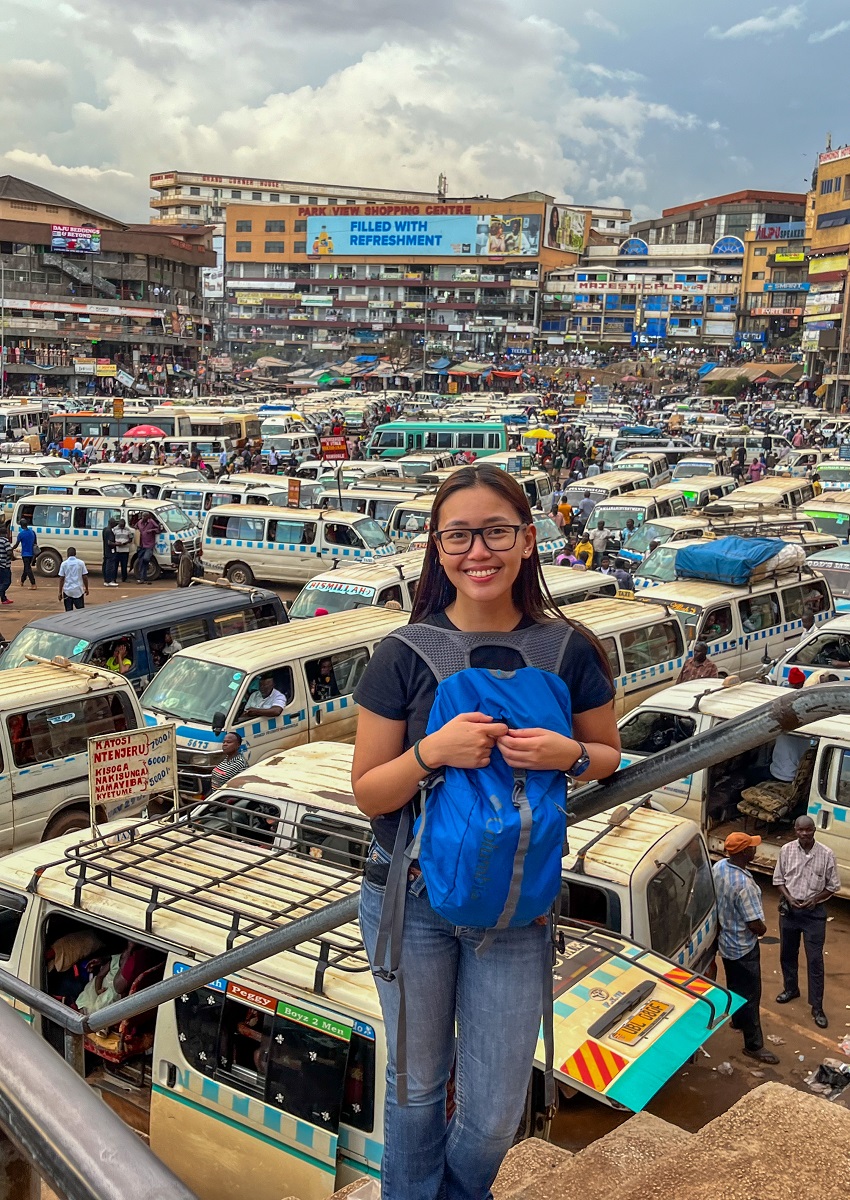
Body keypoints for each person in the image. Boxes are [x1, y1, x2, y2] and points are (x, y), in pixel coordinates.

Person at [351, 463, 620, 1200]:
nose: (480, 551)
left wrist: (569, 756)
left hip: (517, 903)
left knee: (496, 1114)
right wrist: (432, 752)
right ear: (438, 550)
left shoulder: (569, 651)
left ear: (529, 541)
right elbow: (369, 791)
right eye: (460, 536)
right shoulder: (402, 654)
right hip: (411, 901)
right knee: (414, 1097)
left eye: (496, 532)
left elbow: (609, 755)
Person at [713, 832, 779, 1065]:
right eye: (752, 847)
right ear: (744, 853)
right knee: (751, 995)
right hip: (743, 946)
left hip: (726, 943)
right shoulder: (745, 885)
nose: (755, 850)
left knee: (735, 985)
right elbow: (754, 925)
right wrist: (763, 929)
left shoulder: (720, 867)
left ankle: (737, 1020)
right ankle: (754, 1045)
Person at [774, 815, 839, 1028]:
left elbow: (832, 886)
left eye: (808, 830)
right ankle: (791, 989)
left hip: (814, 914)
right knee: (787, 954)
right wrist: (789, 898)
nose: (804, 834)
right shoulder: (786, 850)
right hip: (790, 911)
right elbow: (779, 880)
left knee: (814, 960)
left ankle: (817, 1007)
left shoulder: (827, 854)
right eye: (800, 830)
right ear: (795, 830)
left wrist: (815, 899)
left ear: (814, 830)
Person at [134, 513, 160, 584]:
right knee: (141, 561)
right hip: (141, 545)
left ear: (148, 517)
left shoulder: (151, 522)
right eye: (143, 516)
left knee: (146, 559)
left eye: (145, 516)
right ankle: (142, 578)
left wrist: (152, 530)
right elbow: (135, 527)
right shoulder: (139, 522)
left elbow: (158, 529)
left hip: (149, 545)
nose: (143, 517)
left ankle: (143, 576)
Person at [12, 518, 37, 589]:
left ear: (21, 526)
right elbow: (35, 543)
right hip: (32, 553)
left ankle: (33, 584)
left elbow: (16, 544)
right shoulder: (32, 532)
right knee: (26, 568)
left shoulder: (21, 534)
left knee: (28, 569)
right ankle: (22, 581)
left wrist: (12, 548)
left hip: (25, 554)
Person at [102, 517, 119, 587]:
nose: (115, 525)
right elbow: (109, 542)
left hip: (106, 550)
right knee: (110, 566)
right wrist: (117, 544)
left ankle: (106, 580)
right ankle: (109, 581)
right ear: (111, 523)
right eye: (114, 523)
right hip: (110, 551)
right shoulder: (109, 531)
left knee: (105, 565)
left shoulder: (105, 529)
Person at [0, 526, 12, 605]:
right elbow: (9, 552)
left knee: (1, 582)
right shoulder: (5, 541)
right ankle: (1, 593)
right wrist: (12, 557)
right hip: (5, 565)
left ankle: (3, 598)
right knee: (7, 582)